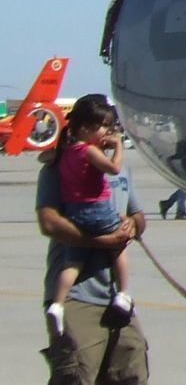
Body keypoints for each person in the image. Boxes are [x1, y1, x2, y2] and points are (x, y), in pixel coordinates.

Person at [35, 93, 169, 385]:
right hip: (76, 290)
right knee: (75, 373)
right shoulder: (59, 169)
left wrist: (132, 227)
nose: (103, 133)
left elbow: (139, 215)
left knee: (128, 366)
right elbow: (48, 222)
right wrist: (98, 243)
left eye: (108, 127)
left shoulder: (118, 170)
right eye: (95, 127)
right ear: (76, 130)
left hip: (115, 292)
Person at [41, 103, 134, 338]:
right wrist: (119, 147)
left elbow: (46, 156)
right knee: (119, 247)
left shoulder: (65, 154)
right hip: (97, 208)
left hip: (76, 211)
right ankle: (124, 294)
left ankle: (58, 304)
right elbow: (113, 168)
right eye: (100, 127)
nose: (105, 132)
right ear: (83, 129)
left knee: (72, 264)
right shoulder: (89, 151)